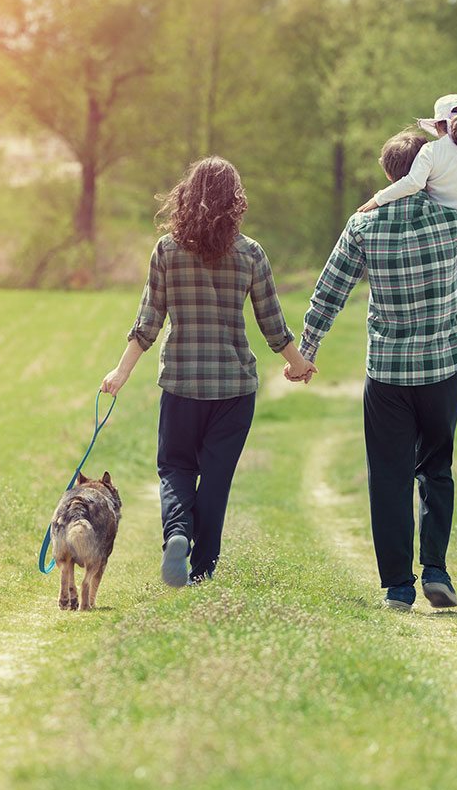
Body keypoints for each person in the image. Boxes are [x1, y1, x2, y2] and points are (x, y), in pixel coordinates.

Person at [290, 131, 457, 610]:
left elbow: (329, 291)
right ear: (431, 169)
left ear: (387, 174)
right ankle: (437, 569)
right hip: (441, 368)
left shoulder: (363, 225)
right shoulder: (449, 220)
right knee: (437, 468)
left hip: (386, 374)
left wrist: (307, 350)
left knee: (388, 477)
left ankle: (399, 587)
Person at [101, 156, 315, 587]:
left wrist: (120, 373)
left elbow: (148, 322)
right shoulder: (250, 253)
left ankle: (177, 533)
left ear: (186, 195)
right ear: (235, 201)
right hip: (233, 389)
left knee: (176, 467)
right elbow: (272, 322)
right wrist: (297, 363)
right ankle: (201, 571)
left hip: (181, 384)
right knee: (216, 480)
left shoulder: (166, 250)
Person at [357, 94, 457, 351]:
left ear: (438, 125)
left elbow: (413, 183)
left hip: (434, 227)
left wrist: (378, 199)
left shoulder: (430, 151)